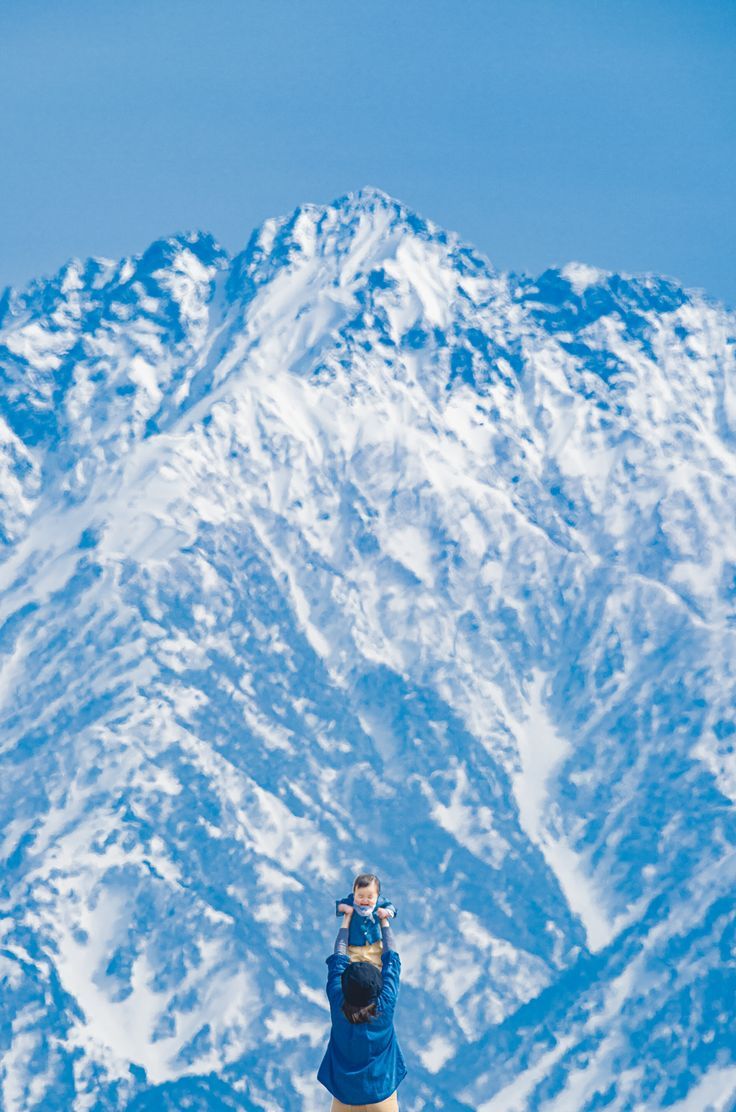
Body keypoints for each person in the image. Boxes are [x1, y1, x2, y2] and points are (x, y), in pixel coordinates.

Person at [317, 903, 407, 1111]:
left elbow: (338, 958)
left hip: (344, 1097)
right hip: (381, 1095)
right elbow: (392, 960)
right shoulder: (385, 1004)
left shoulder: (337, 1000)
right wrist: (384, 920)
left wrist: (347, 918)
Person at [335, 872, 397, 969]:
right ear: (354, 894)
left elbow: (392, 908)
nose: (364, 900)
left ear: (377, 896)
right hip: (355, 946)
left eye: (369, 897)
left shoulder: (380, 902)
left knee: (377, 964)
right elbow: (339, 905)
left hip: (374, 944)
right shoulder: (350, 901)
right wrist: (344, 908)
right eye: (360, 896)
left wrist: (387, 912)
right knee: (352, 965)